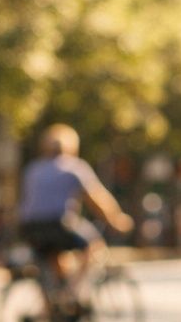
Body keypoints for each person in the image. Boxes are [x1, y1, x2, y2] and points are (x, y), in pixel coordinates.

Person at [18, 124, 133, 308]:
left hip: (29, 227)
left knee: (52, 261)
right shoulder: (73, 167)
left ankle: (53, 311)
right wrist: (116, 219)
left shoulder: (33, 170)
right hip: (59, 223)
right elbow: (97, 199)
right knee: (94, 246)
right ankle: (72, 294)